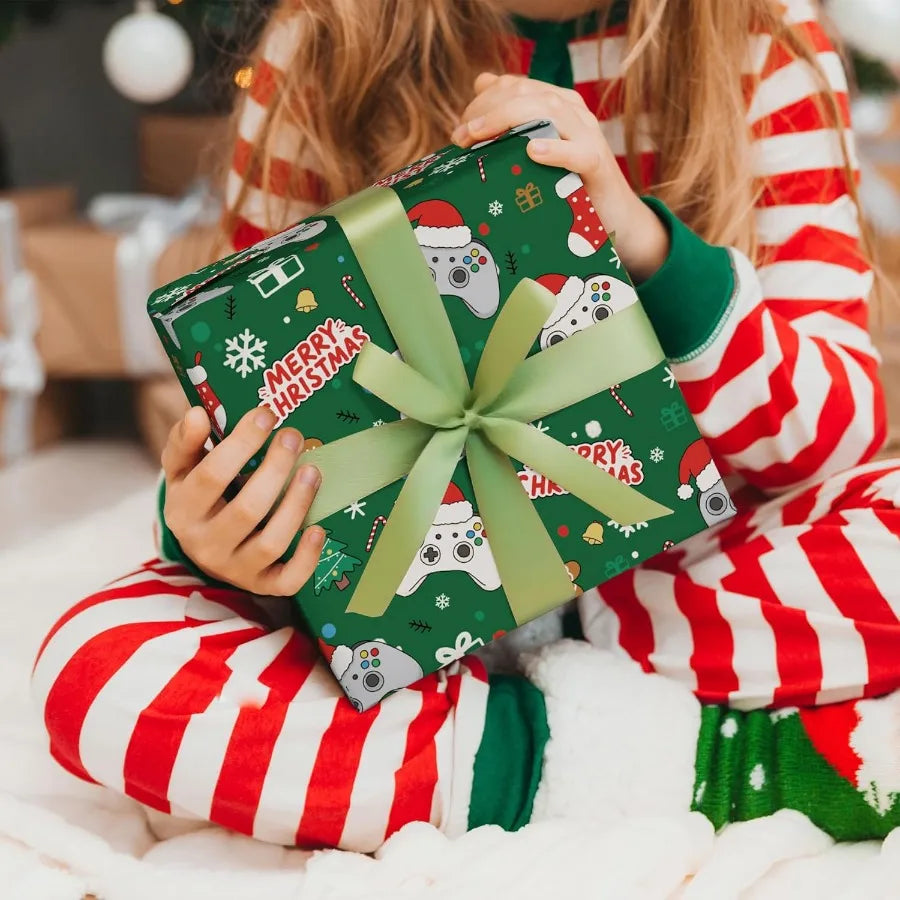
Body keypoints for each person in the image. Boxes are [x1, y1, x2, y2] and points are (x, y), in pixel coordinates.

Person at [33, 0, 900, 851]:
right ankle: (720, 763)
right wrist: (210, 534)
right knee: (95, 669)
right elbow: (243, 394)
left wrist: (648, 247)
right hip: (390, 613)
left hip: (689, 579)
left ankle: (475, 756)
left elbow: (839, 433)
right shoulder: (324, 40)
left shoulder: (759, 36)